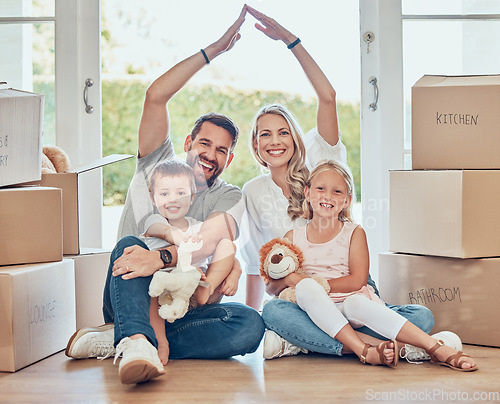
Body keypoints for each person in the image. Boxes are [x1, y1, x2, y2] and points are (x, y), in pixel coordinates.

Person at [65, 6, 265, 385]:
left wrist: (162, 258)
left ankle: (121, 338)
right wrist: (215, 50)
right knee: (129, 245)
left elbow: (209, 242)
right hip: (131, 289)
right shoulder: (157, 166)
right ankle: (138, 337)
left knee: (250, 325)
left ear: (230, 158)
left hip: (184, 303)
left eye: (221, 150)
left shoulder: (230, 196)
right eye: (204, 142)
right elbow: (156, 95)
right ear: (188, 142)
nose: (210, 154)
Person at [239, 5, 435, 359]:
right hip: (298, 294)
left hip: (347, 287)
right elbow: (256, 260)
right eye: (265, 135)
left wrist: (290, 40)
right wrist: (255, 319)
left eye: (283, 132)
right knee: (272, 313)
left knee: (421, 315)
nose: (275, 141)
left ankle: (311, 342)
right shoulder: (253, 191)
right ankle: (368, 347)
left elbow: (327, 95)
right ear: (256, 144)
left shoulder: (320, 162)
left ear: (297, 137)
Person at [276, 160, 477, 371]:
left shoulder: (354, 232)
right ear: (307, 193)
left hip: (354, 309)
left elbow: (357, 281)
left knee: (419, 316)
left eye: (337, 191)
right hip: (316, 311)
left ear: (347, 200)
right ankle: (380, 349)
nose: (327, 196)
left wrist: (313, 284)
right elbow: (273, 286)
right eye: (320, 188)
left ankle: (433, 348)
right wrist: (292, 280)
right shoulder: (293, 236)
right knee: (275, 310)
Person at [142, 160, 241, 365]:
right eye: (164, 194)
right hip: (165, 297)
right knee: (149, 284)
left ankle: (208, 288)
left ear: (192, 196)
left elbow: (225, 256)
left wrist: (235, 273)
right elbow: (162, 231)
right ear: (152, 197)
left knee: (226, 243)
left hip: (197, 294)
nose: (173, 200)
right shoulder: (153, 222)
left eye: (180, 193)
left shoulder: (199, 228)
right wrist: (177, 237)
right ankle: (161, 340)